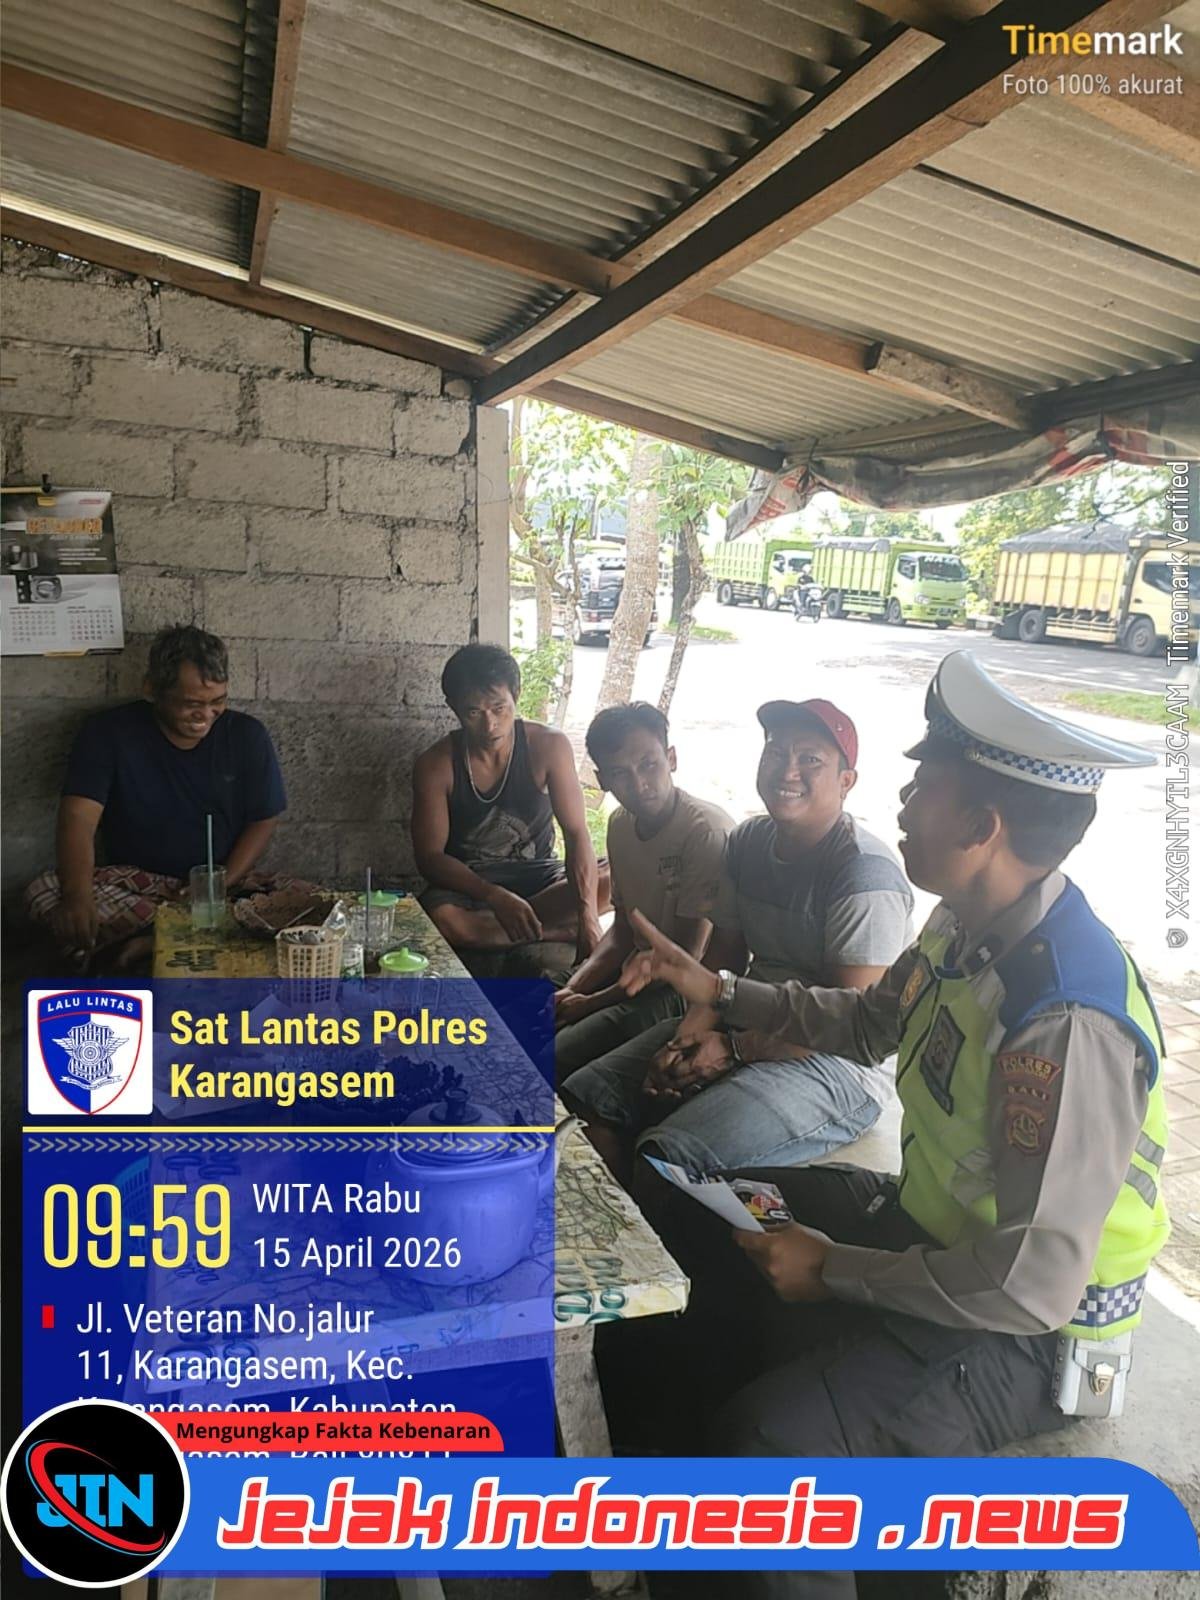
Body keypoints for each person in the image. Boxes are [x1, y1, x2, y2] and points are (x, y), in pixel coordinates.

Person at [607, 653, 1167, 1599]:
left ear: (982, 827)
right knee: (709, 1207)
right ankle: (659, 1488)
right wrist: (720, 989)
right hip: (936, 1234)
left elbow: (1030, 1285)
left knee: (771, 1451)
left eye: (923, 786)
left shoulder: (1063, 1015)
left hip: (1029, 1333)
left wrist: (834, 1268)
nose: (901, 802)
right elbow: (870, 1022)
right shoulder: (966, 923)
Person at [562, 698, 913, 1182]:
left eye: (810, 759)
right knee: (585, 1099)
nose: (788, 771)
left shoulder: (863, 873)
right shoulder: (749, 843)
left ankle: (655, 1224)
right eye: (776, 753)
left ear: (846, 781)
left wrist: (734, 1049)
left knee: (667, 1157)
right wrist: (689, 1038)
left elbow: (849, 1024)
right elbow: (724, 959)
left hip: (837, 1064)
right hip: (746, 1014)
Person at [25, 624, 291, 971]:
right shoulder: (108, 733)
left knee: (308, 907)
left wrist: (220, 883)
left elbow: (263, 819)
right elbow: (78, 817)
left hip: (222, 889)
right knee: (44, 891)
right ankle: (178, 939)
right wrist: (78, 896)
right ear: (152, 689)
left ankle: (148, 944)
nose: (205, 715)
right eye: (191, 704)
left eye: (217, 702)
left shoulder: (247, 735)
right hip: (137, 886)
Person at [554, 702, 732, 1080]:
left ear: (671, 758)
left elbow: (687, 956)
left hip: (684, 989)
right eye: (620, 773)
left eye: (649, 764)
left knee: (552, 1055)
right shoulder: (620, 824)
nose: (638, 784)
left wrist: (588, 1004)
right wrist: (573, 988)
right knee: (521, 1013)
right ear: (602, 779)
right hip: (634, 971)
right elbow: (622, 930)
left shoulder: (704, 832)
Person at [412, 644, 604, 966]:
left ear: (516, 695)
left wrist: (587, 917)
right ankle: (551, 930)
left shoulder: (548, 746)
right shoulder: (436, 765)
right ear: (453, 707)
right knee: (443, 920)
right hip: (471, 885)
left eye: (499, 708)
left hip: (541, 877)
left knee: (615, 877)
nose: (490, 725)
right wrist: (493, 895)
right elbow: (430, 857)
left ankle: (511, 925)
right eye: (474, 713)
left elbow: (576, 832)